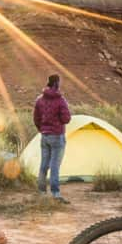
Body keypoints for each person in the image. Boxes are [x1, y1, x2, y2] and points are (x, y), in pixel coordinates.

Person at [33, 74, 71, 202]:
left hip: (45, 136)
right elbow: (66, 119)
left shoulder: (39, 100)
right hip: (57, 136)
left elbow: (36, 118)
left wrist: (42, 129)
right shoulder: (61, 100)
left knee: (44, 164)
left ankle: (41, 192)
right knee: (55, 165)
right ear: (57, 83)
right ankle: (55, 193)